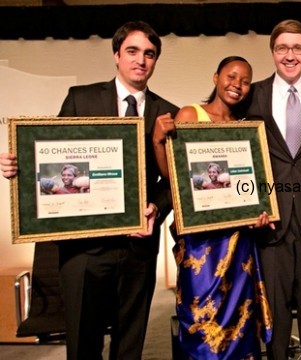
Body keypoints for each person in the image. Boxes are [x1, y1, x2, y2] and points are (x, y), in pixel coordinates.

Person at [1, 21, 178, 360]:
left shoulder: (167, 112)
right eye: (132, 51)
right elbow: (52, 154)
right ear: (116, 55)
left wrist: (156, 208)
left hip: (137, 246)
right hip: (84, 248)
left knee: (130, 340)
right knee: (84, 339)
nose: (141, 60)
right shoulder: (81, 98)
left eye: (149, 54)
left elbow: (172, 182)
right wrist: (19, 169)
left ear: (155, 61)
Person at [152, 55, 273, 360]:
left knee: (239, 322)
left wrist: (263, 209)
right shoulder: (191, 115)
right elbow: (173, 177)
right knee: (200, 320)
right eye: (231, 77)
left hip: (238, 242)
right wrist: (157, 141)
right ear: (216, 77)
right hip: (201, 241)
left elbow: (252, 185)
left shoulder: (244, 129)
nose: (237, 85)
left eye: (245, 82)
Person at [245, 19, 301, 359]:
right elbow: (240, 150)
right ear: (272, 52)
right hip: (270, 221)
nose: (290, 55)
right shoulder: (252, 94)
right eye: (283, 47)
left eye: (298, 47)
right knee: (275, 316)